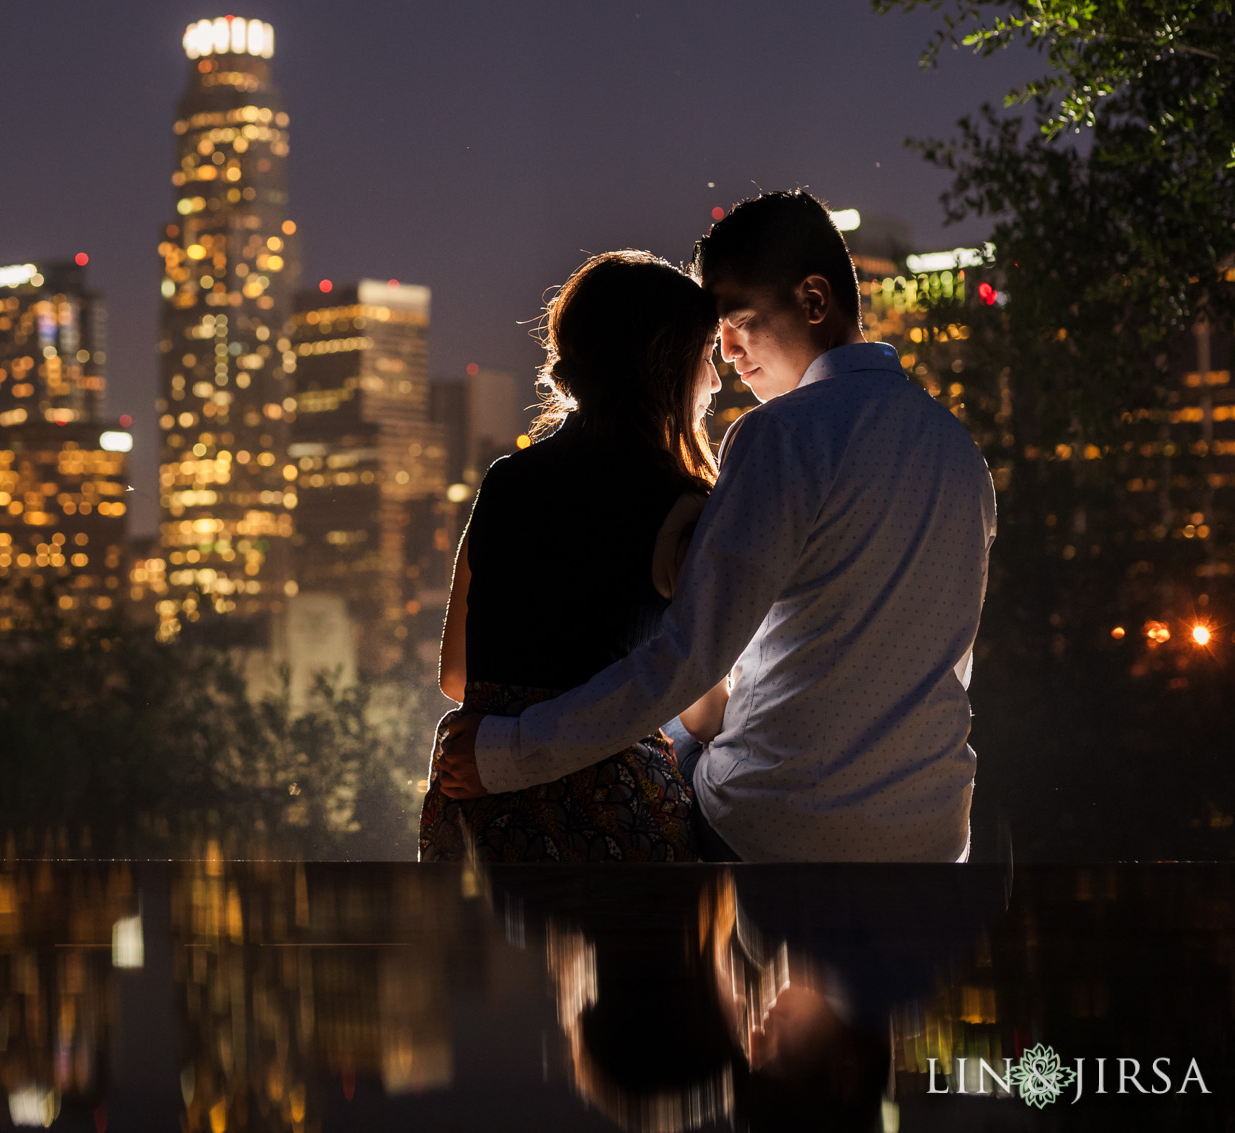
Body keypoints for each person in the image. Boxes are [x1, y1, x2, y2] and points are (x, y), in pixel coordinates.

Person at [434, 190, 995, 862]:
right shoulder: (960, 450)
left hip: (778, 828)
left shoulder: (778, 436)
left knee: (685, 730)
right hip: (934, 833)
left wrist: (506, 754)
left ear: (814, 302)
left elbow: (688, 655)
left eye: (735, 321)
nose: (725, 355)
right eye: (713, 338)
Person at [418, 250, 730, 861]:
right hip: (615, 819)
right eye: (706, 357)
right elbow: (703, 711)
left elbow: (455, 673)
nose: (716, 380)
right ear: (664, 362)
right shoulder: (682, 507)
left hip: (481, 821)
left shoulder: (505, 482)